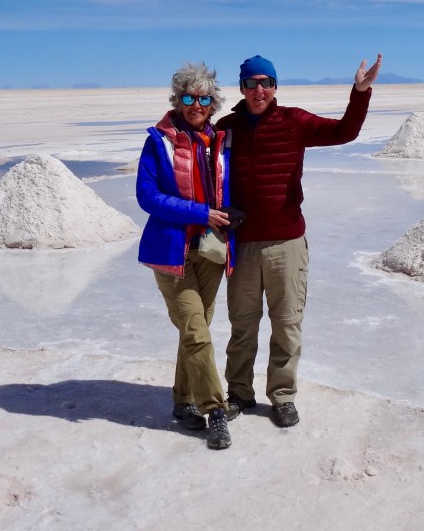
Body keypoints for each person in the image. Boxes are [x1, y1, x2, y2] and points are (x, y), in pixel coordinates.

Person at [217, 53, 382, 428]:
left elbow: (345, 132)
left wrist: (360, 92)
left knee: (287, 322)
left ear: (276, 86)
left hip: (286, 244)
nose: (259, 89)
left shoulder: (295, 121)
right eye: (251, 82)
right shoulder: (226, 128)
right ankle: (239, 393)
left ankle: (283, 395)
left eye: (266, 82)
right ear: (241, 87)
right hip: (241, 244)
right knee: (242, 324)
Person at [135, 61, 237, 450]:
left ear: (213, 103)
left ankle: (182, 401)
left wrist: (230, 217)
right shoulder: (158, 142)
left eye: (204, 98)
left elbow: (226, 192)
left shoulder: (219, 143)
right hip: (171, 252)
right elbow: (148, 197)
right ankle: (215, 410)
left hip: (209, 251)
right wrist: (200, 213)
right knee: (196, 333)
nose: (197, 104)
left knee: (195, 334)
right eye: (189, 97)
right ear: (178, 100)